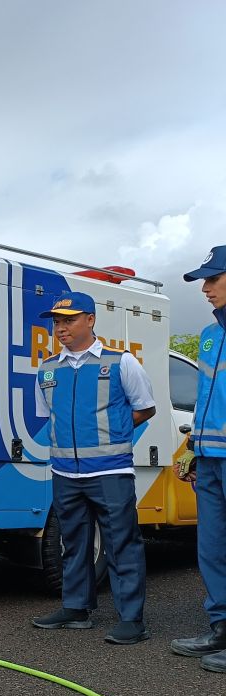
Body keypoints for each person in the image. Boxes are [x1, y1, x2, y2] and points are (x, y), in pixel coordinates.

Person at [31, 291, 156, 645]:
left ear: (90, 320)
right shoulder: (47, 370)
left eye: (69, 320)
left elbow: (145, 408)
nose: (61, 328)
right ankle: (75, 609)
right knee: (73, 543)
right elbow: (49, 416)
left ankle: (132, 619)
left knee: (121, 544)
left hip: (110, 471)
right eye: (56, 321)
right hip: (65, 473)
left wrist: (116, 431)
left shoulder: (121, 363)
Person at [171, 246, 226, 673]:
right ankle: (221, 626)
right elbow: (208, 401)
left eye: (213, 279)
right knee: (211, 547)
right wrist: (191, 450)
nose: (205, 289)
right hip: (208, 458)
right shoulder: (210, 335)